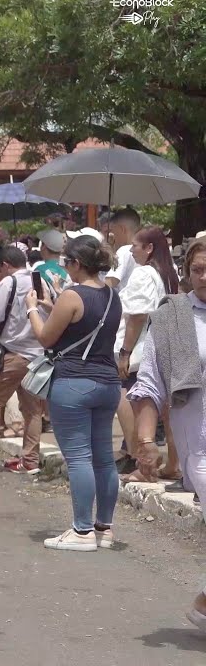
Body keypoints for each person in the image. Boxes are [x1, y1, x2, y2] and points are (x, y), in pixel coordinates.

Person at [128, 237, 206, 632]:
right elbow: (150, 385)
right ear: (187, 272)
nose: (205, 277)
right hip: (202, 448)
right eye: (198, 270)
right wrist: (145, 442)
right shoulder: (174, 317)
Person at [26, 234, 122, 551]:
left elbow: (46, 338)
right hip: (107, 383)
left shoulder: (71, 295)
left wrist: (31, 310)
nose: (65, 268)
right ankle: (103, 529)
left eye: (67, 262)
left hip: (74, 383)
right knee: (104, 459)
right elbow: (87, 321)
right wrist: (51, 306)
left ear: (77, 264)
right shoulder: (113, 295)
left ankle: (81, 532)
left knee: (79, 457)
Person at [114, 226, 179, 482]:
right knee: (167, 411)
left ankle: (145, 467)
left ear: (149, 248)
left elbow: (137, 315)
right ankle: (173, 463)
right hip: (165, 346)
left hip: (143, 351)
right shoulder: (168, 273)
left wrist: (125, 352)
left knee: (142, 410)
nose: (131, 250)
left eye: (135, 246)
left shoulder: (143, 273)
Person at [0, 245, 46, 474]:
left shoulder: (9, 282)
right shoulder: (39, 280)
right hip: (37, 356)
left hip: (13, 352)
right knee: (33, 409)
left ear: (4, 265)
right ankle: (30, 461)